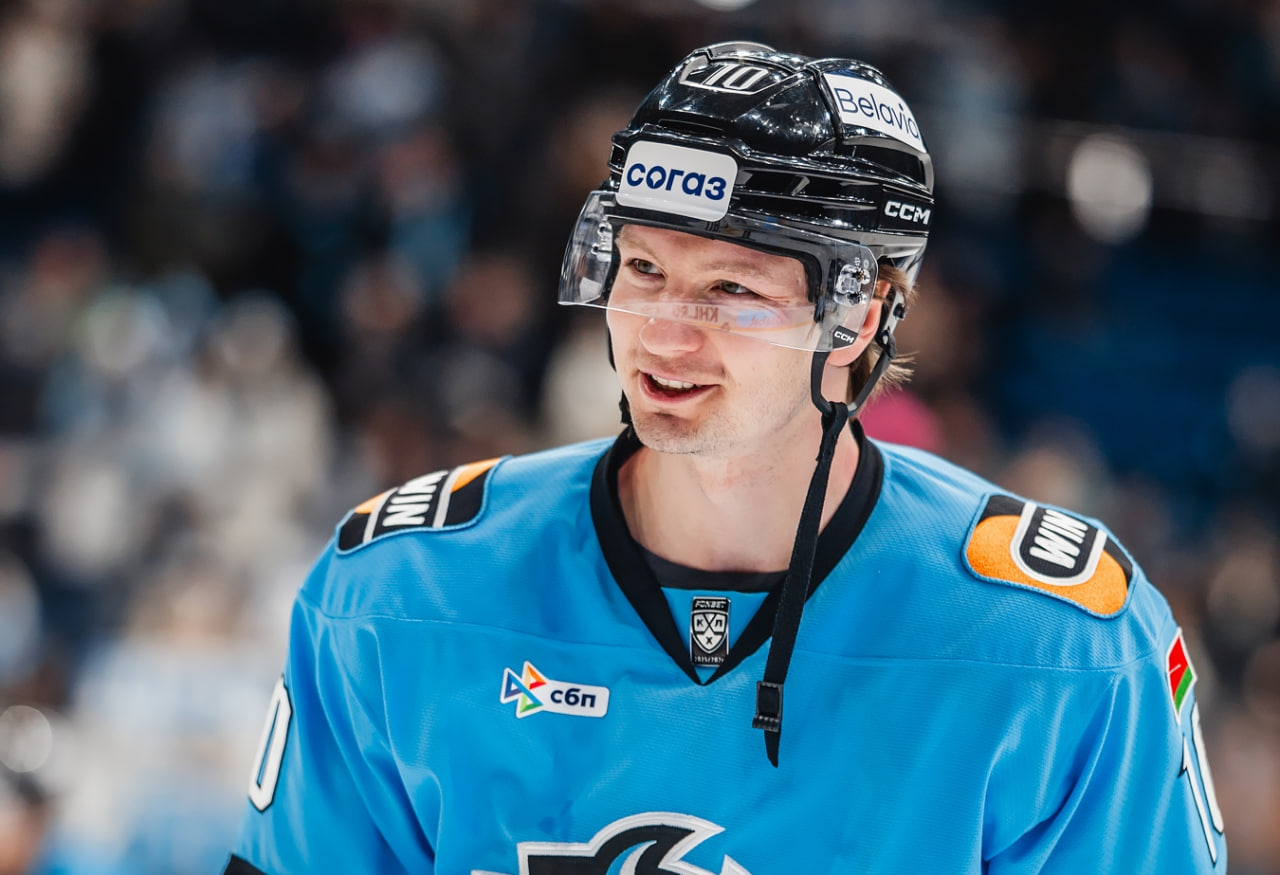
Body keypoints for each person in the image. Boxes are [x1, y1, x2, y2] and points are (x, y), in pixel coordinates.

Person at [223, 42, 1227, 873]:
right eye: (643, 268)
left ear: (860, 313)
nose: (664, 332)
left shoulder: (1060, 644)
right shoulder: (399, 590)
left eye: (731, 289)